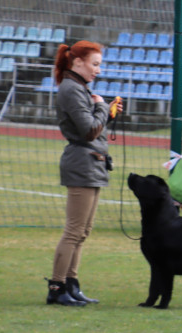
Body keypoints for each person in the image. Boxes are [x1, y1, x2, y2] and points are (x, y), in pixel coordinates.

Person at [47, 40, 119, 306]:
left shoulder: (79, 88)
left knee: (83, 231)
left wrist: (107, 113)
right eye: (95, 64)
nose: (98, 70)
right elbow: (89, 130)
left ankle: (71, 284)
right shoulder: (71, 89)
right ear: (78, 62)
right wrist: (101, 106)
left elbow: (92, 127)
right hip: (82, 163)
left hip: (92, 162)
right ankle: (57, 287)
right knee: (74, 230)